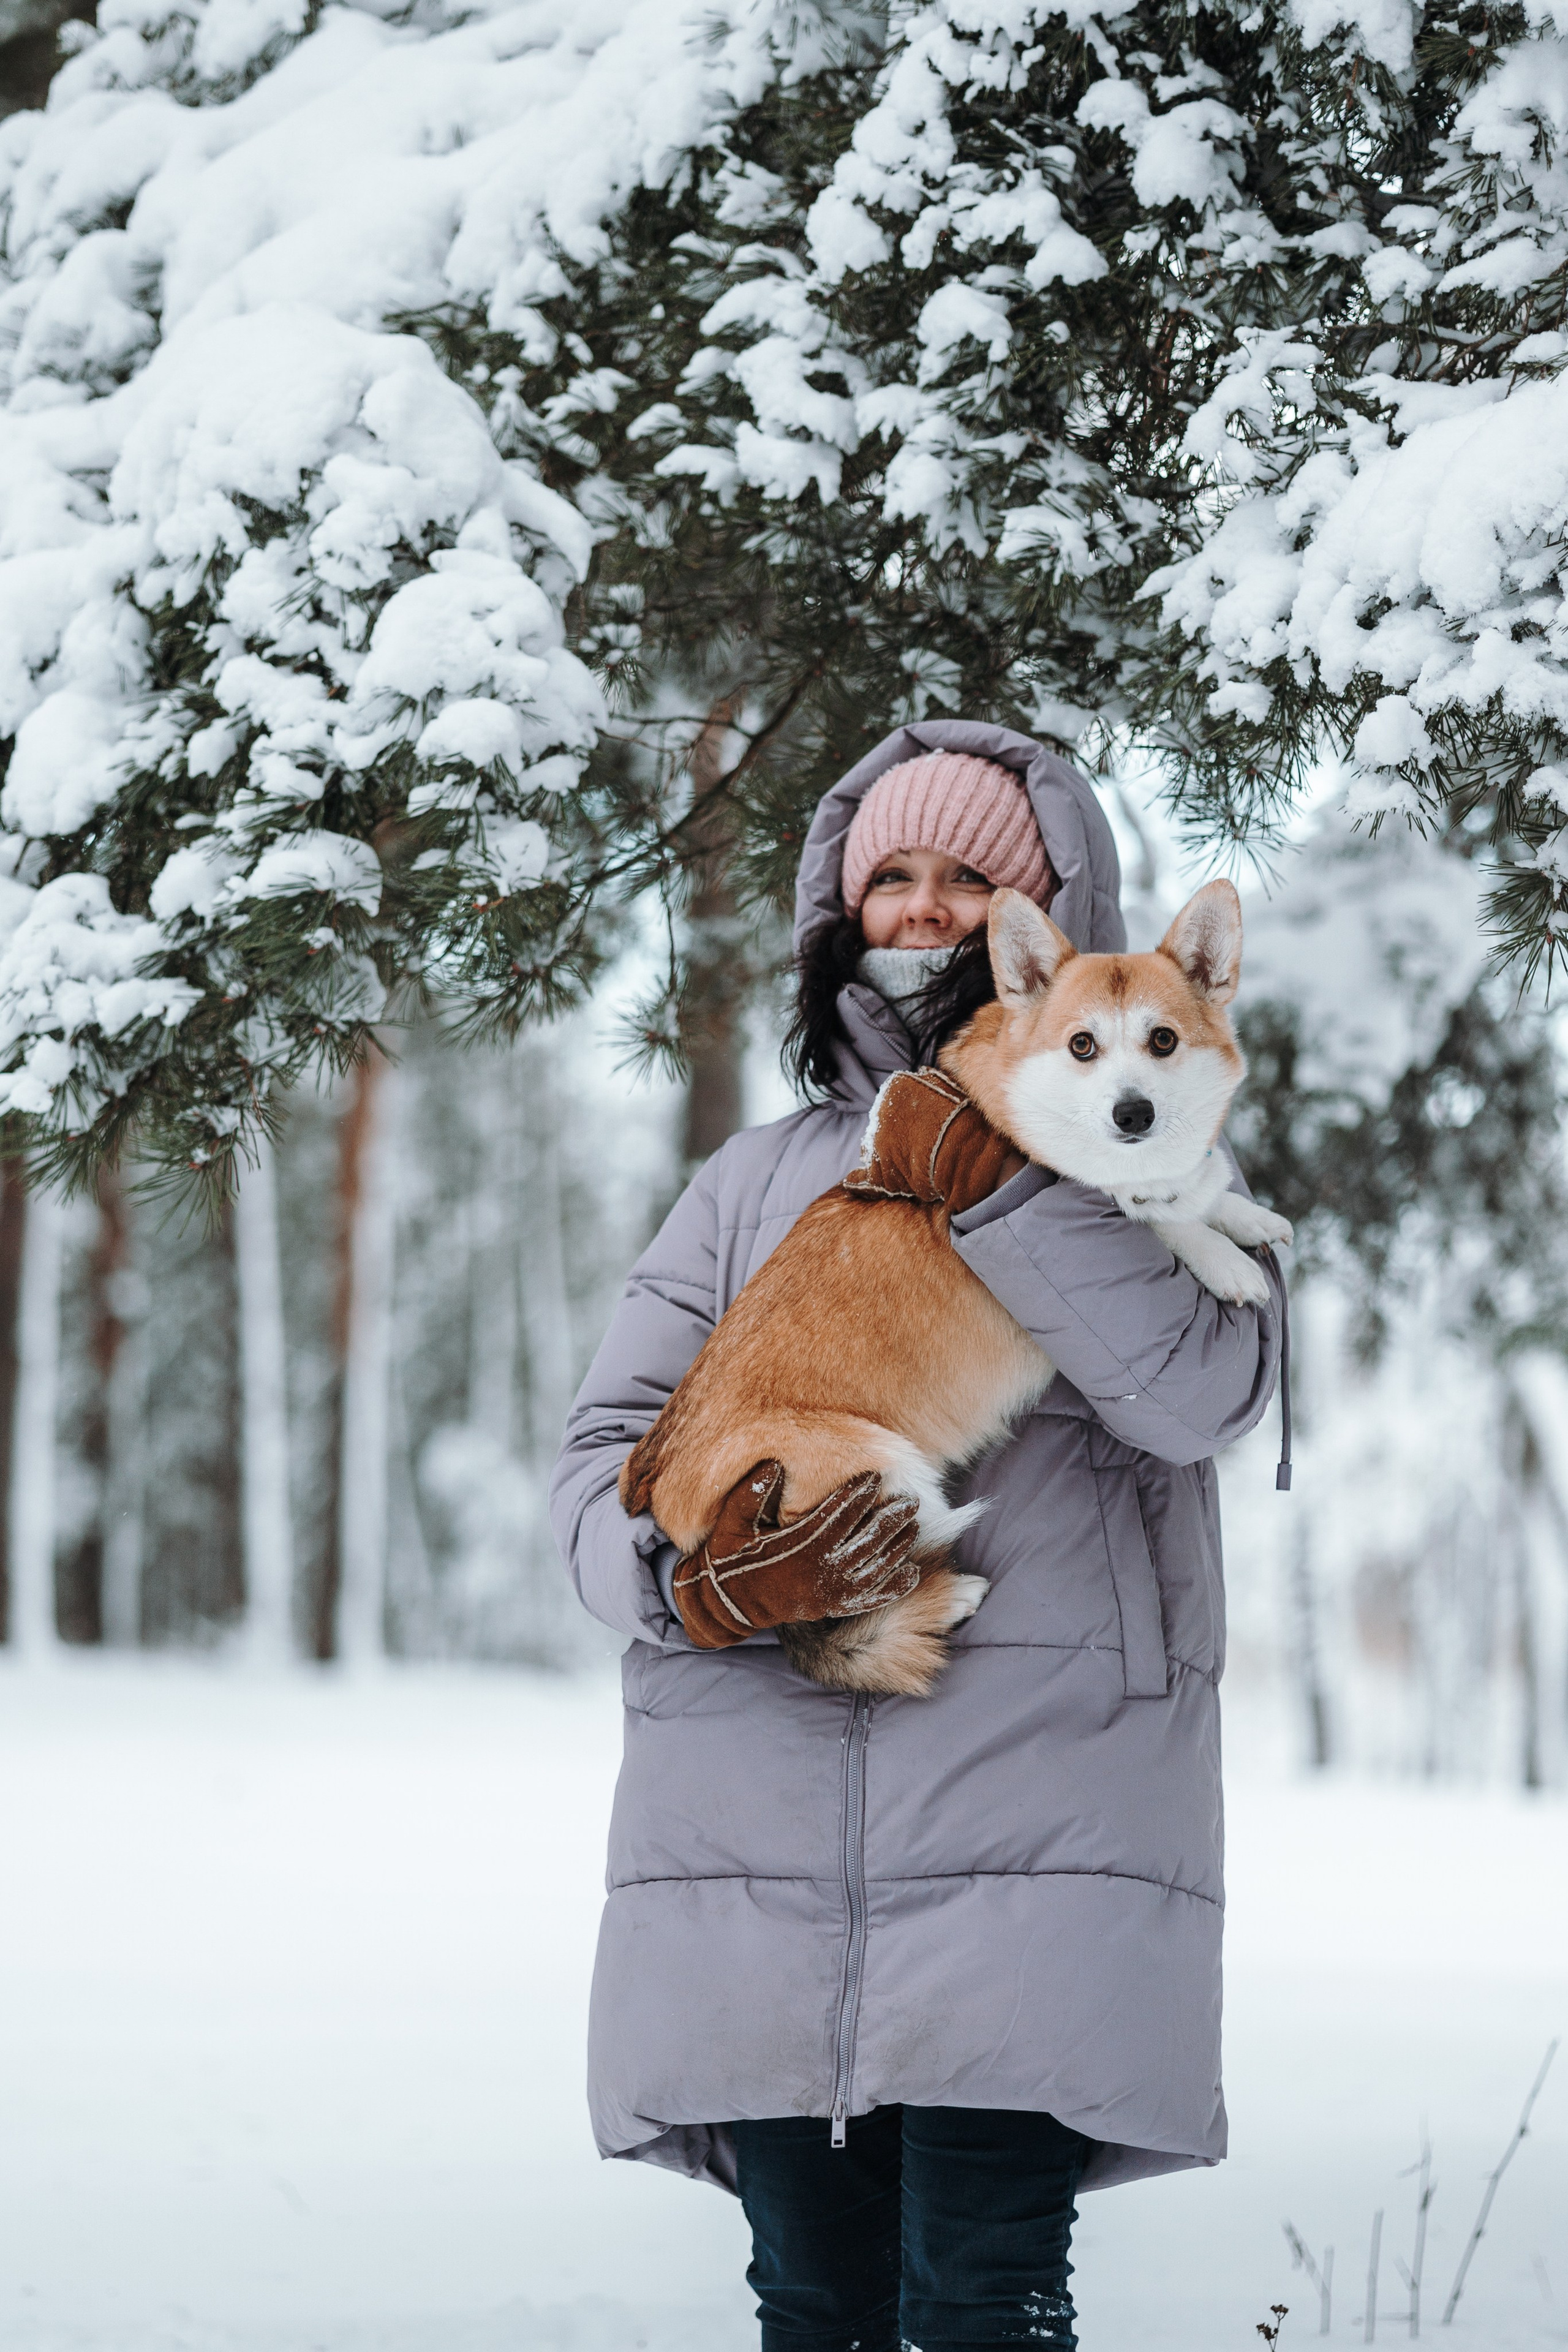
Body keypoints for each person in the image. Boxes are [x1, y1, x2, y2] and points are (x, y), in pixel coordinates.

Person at [549, 721, 1283, 2352]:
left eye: (973, 875)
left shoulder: (1148, 1151)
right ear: (842, 908)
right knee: (813, 2307)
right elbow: (597, 1470)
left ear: (1047, 915)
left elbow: (1207, 1399)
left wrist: (1007, 1193)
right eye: (895, 872)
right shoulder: (751, 1187)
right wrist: (690, 1583)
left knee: (986, 2307)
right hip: (761, 1854)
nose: (928, 906)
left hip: (1040, 1841)